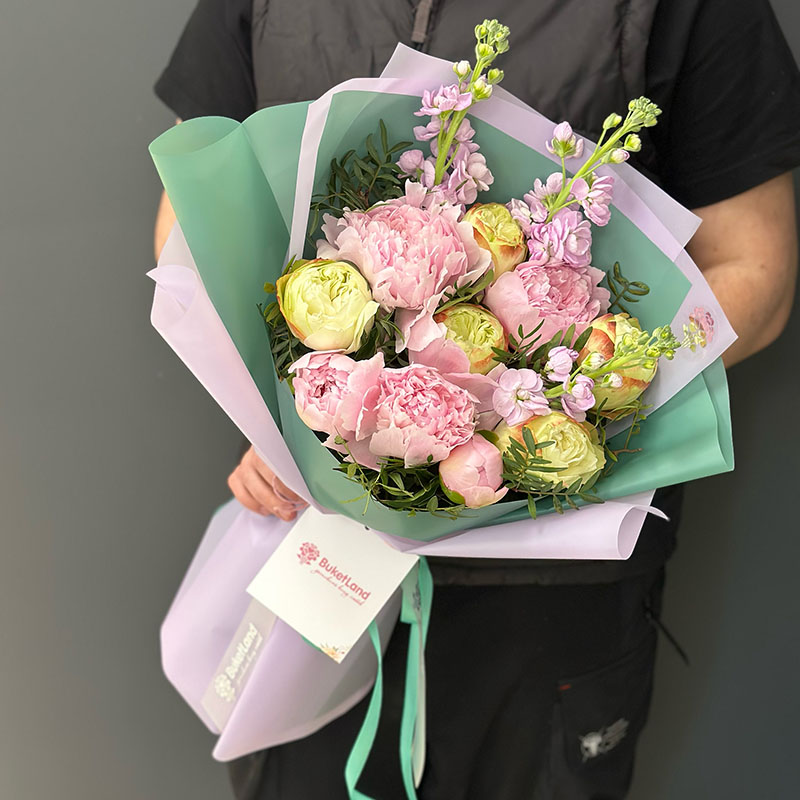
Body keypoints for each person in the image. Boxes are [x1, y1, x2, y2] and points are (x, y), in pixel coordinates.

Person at [153, 1, 800, 797]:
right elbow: (190, 221)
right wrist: (298, 412)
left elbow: (755, 272)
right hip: (314, 555)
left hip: (549, 594)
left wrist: (547, 406)